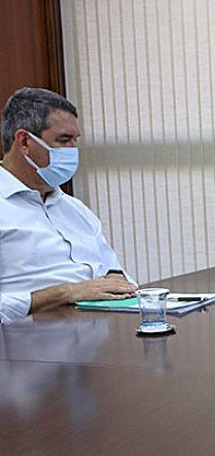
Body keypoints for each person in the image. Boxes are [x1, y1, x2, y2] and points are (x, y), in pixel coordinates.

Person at [0, 88, 135, 323]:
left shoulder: (75, 210)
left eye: (76, 140)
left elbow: (117, 277)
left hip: (100, 343)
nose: (73, 150)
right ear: (24, 142)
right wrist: (64, 293)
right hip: (27, 348)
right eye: (64, 140)